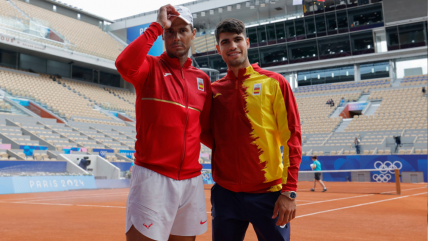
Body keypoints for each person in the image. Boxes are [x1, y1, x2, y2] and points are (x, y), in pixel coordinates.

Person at [115, 4, 212, 241]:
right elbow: (123, 64)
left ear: (194, 33)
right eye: (170, 32)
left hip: (191, 180)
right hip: (152, 177)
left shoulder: (202, 80)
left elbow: (207, 131)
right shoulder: (149, 67)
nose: (176, 37)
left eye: (182, 30)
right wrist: (157, 26)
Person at [205, 18, 302, 241]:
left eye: (237, 39)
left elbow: (292, 138)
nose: (232, 46)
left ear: (247, 42)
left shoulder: (274, 83)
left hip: (268, 195)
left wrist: (289, 190)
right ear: (218, 48)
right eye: (225, 41)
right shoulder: (213, 90)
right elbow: (207, 133)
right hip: (225, 194)